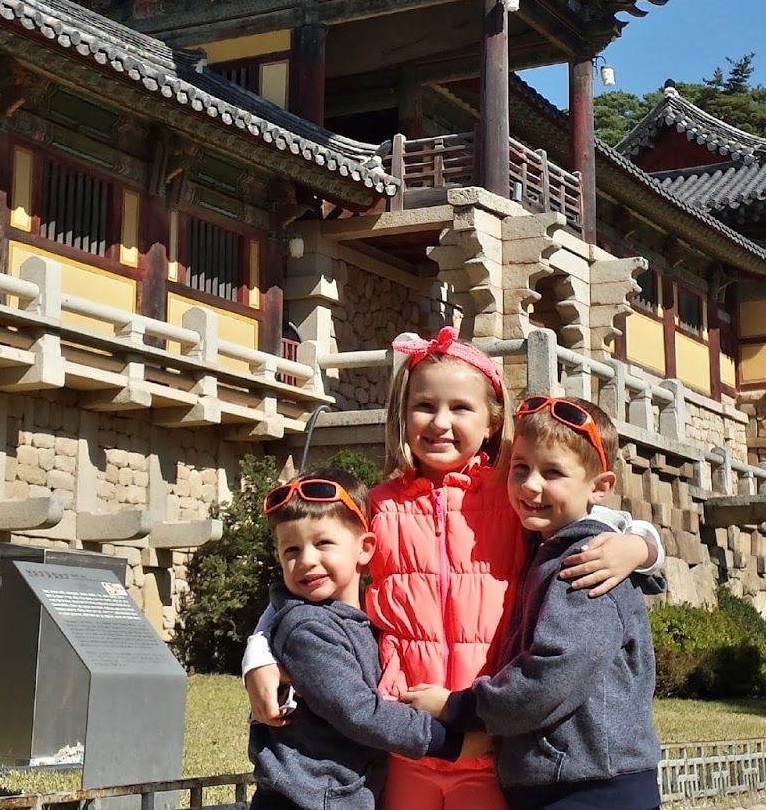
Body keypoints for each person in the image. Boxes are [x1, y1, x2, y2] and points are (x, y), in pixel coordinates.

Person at [246, 327, 664, 810]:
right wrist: (259, 651)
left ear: (492, 422)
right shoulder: (378, 508)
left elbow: (590, 522)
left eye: (460, 408)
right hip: (406, 736)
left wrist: (641, 546)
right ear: (402, 415)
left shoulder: (514, 498)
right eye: (424, 406)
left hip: (490, 739)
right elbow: (309, 581)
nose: (440, 422)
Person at [402, 396, 662, 810]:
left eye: (552, 472)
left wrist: (458, 707)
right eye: (520, 468)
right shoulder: (548, 546)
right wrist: (644, 545)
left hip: (589, 786)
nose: (530, 485)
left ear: (600, 487)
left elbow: (553, 676)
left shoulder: (586, 563)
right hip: (571, 778)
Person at [248, 467, 486, 810]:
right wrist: (450, 743)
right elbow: (359, 712)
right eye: (291, 550)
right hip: (306, 801)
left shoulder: (364, 619)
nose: (307, 561)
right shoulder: (307, 629)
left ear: (365, 548)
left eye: (323, 543)